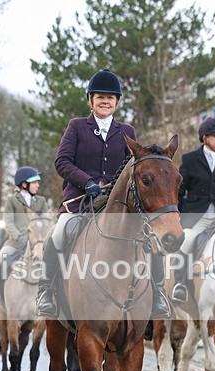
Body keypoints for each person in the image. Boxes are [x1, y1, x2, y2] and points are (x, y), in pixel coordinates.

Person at [36, 68, 171, 319]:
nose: (105, 101)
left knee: (150, 240)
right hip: (80, 201)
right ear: (91, 100)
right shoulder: (77, 127)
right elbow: (62, 162)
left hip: (116, 203)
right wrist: (86, 181)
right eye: (100, 97)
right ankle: (46, 291)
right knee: (58, 233)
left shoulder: (127, 131)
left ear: (117, 102)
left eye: (110, 97)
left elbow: (134, 166)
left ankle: (158, 293)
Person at [171, 117, 215, 302]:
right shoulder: (190, 160)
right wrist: (174, 214)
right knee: (187, 241)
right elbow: (179, 190)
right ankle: (179, 283)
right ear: (205, 138)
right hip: (198, 217)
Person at [0, 166, 48, 312]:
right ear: (24, 184)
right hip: (16, 242)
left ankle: (50, 298)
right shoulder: (12, 200)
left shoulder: (41, 201)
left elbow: (45, 221)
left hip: (37, 242)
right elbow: (8, 222)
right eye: (35, 182)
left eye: (38, 182)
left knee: (54, 262)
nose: (38, 185)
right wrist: (18, 236)